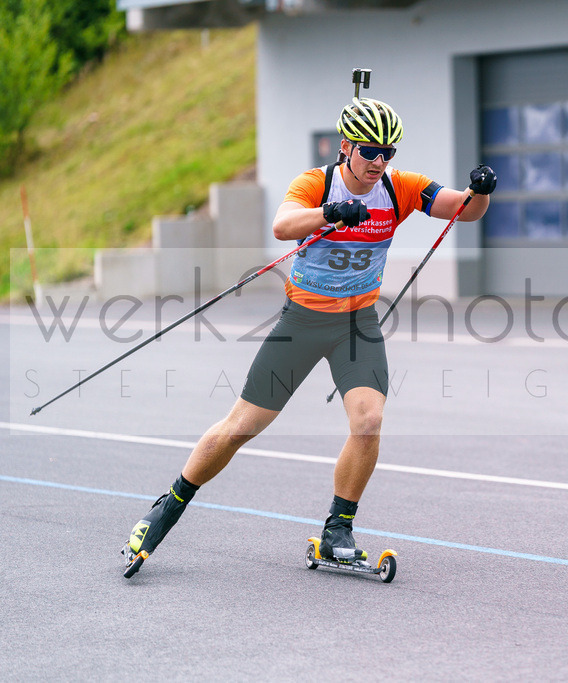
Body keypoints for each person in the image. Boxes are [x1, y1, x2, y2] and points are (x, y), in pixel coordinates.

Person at [121, 96, 496, 576]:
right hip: (302, 321)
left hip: (356, 325)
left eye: (388, 152)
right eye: (369, 151)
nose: (379, 162)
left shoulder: (400, 188)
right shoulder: (315, 183)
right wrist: (332, 212)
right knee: (240, 428)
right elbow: (282, 225)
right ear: (346, 147)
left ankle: (337, 530)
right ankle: (165, 509)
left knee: (368, 422)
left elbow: (462, 210)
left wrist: (479, 190)